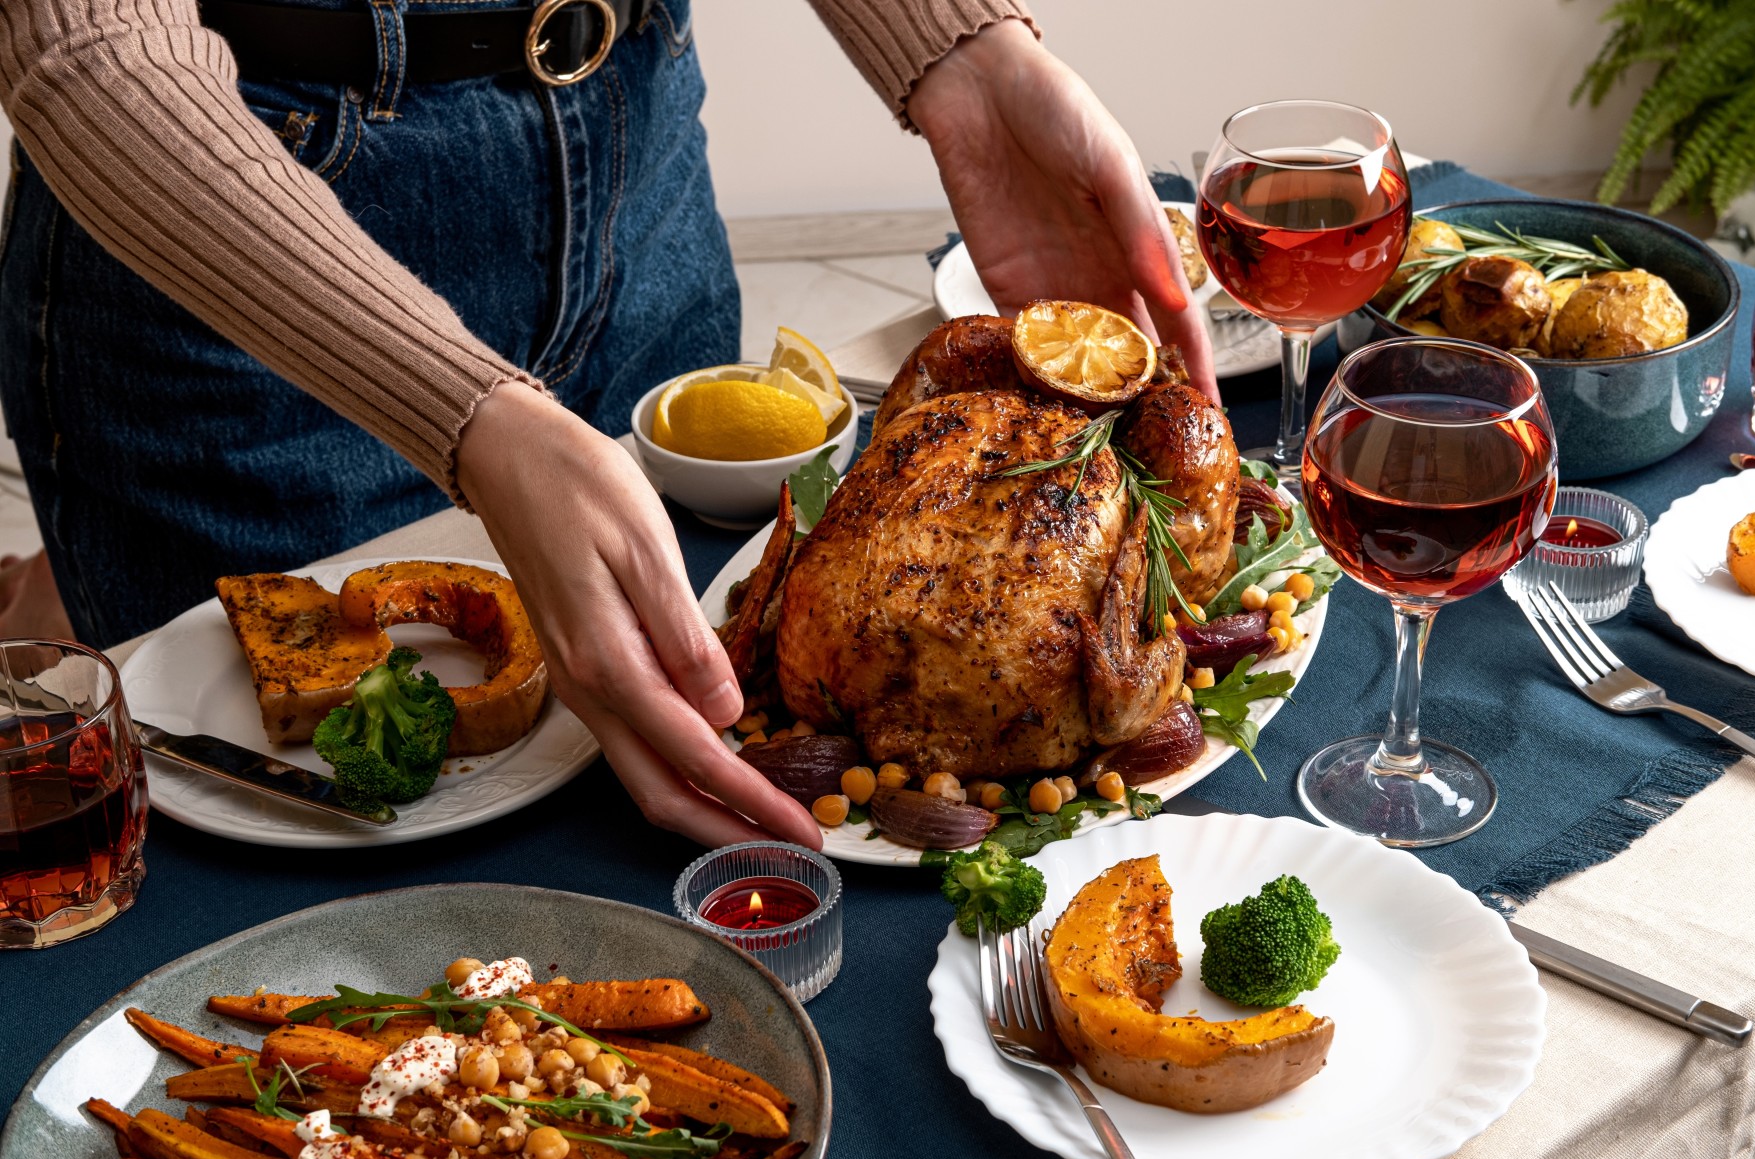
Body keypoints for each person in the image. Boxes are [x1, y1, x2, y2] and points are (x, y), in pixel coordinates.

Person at [0, 0, 1216, 849]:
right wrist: (467, 413)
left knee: (676, 757)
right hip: (248, 256)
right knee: (283, 824)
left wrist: (963, 50)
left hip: (628, 164)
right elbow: (92, 42)